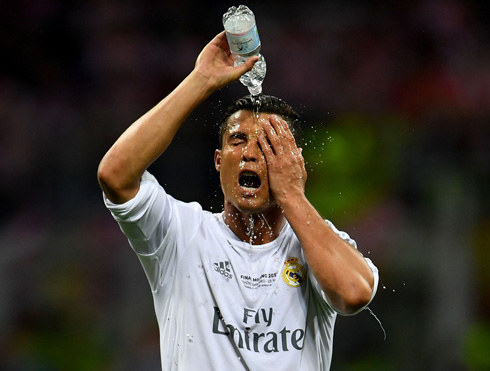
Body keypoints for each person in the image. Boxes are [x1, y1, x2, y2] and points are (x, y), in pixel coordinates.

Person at [97, 31, 379, 370]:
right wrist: (200, 81)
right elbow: (114, 175)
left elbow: (354, 294)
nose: (249, 154)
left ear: (292, 162)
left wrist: (291, 193)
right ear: (218, 161)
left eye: (267, 146)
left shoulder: (317, 243)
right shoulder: (182, 234)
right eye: (238, 140)